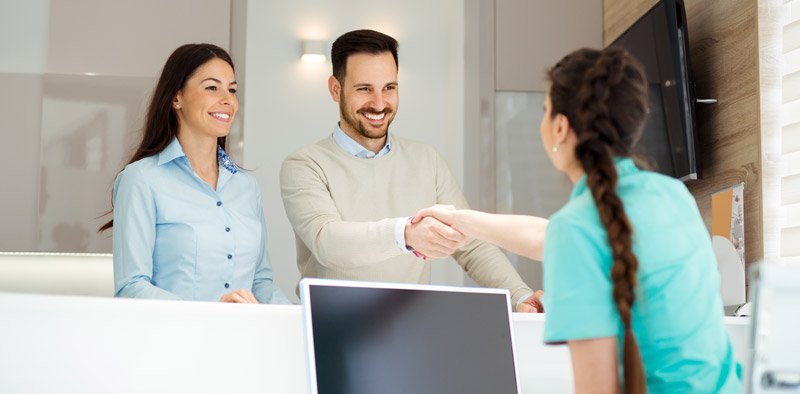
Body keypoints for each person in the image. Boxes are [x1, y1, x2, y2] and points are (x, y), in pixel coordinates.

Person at [414, 47, 741, 393]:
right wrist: (460, 218)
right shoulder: (673, 196)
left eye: (545, 110)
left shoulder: (578, 228)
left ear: (559, 127)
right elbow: (549, 236)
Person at [279, 29, 543, 311]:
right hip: (331, 328)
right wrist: (405, 234)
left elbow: (471, 244)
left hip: (409, 327)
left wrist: (519, 295)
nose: (379, 104)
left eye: (389, 88)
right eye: (364, 88)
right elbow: (327, 242)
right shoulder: (305, 164)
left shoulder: (426, 160)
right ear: (335, 89)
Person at [99, 43, 290, 305]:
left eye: (232, 90)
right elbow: (132, 287)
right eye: (212, 87)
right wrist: (210, 313)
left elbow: (260, 282)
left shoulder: (247, 187)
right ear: (176, 97)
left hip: (241, 340)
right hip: (175, 340)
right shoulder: (141, 179)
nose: (228, 100)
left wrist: (296, 319)